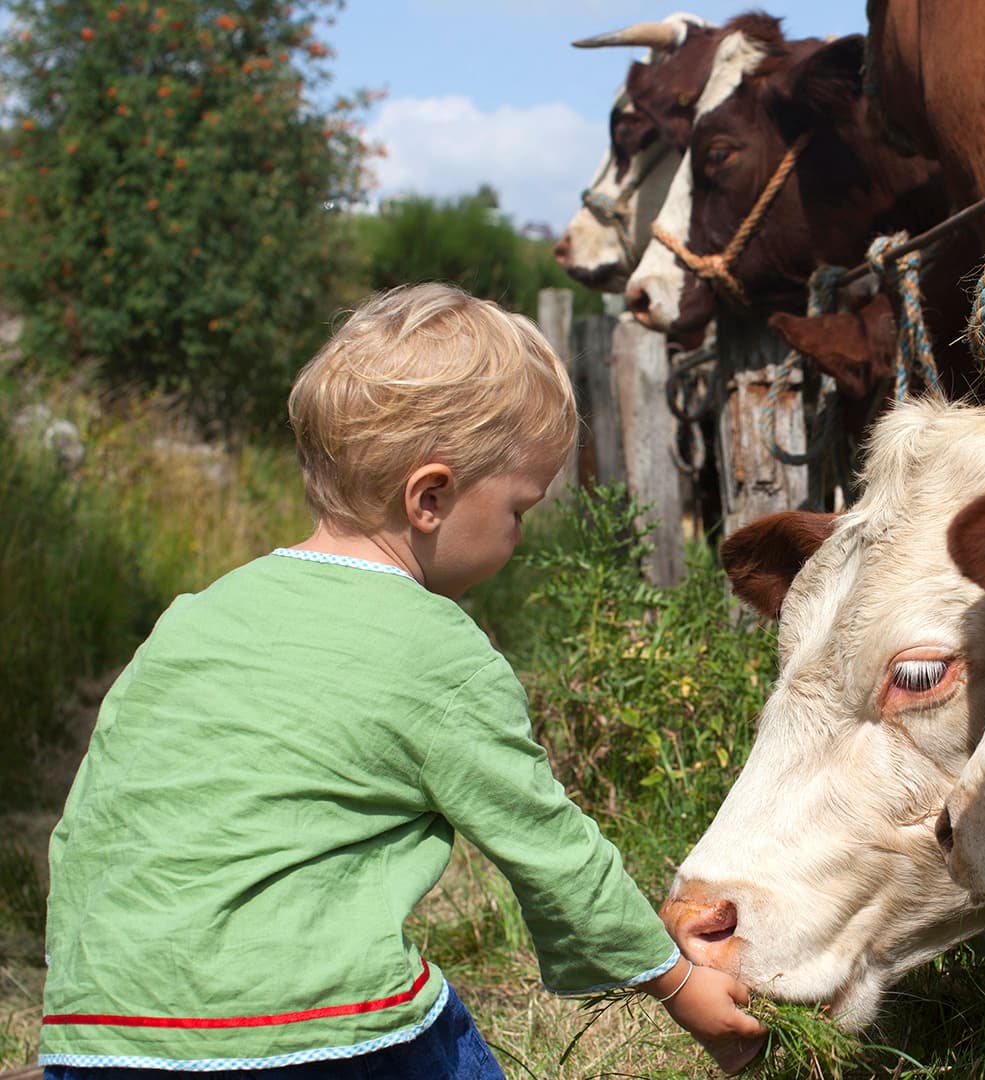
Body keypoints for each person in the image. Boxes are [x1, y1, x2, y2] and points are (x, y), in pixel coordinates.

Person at [39, 283, 767, 1079]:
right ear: (431, 497)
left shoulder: (193, 617)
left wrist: (88, 994)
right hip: (302, 1032)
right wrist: (674, 980)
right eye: (520, 510)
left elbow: (89, 822)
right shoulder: (435, 649)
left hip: (98, 1028)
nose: (518, 537)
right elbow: (549, 849)